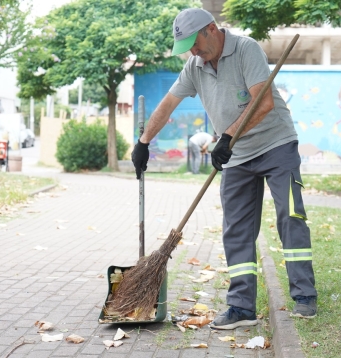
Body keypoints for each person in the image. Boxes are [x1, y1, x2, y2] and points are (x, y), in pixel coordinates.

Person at [131, 8, 318, 329]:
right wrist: (144, 141)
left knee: (291, 215)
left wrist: (227, 135)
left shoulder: (246, 49)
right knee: (236, 229)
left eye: (195, 43)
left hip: (277, 146)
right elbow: (168, 104)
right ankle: (242, 307)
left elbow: (264, 103)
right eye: (188, 47)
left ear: (212, 29)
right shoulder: (195, 66)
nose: (193, 51)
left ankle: (304, 295)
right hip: (237, 155)